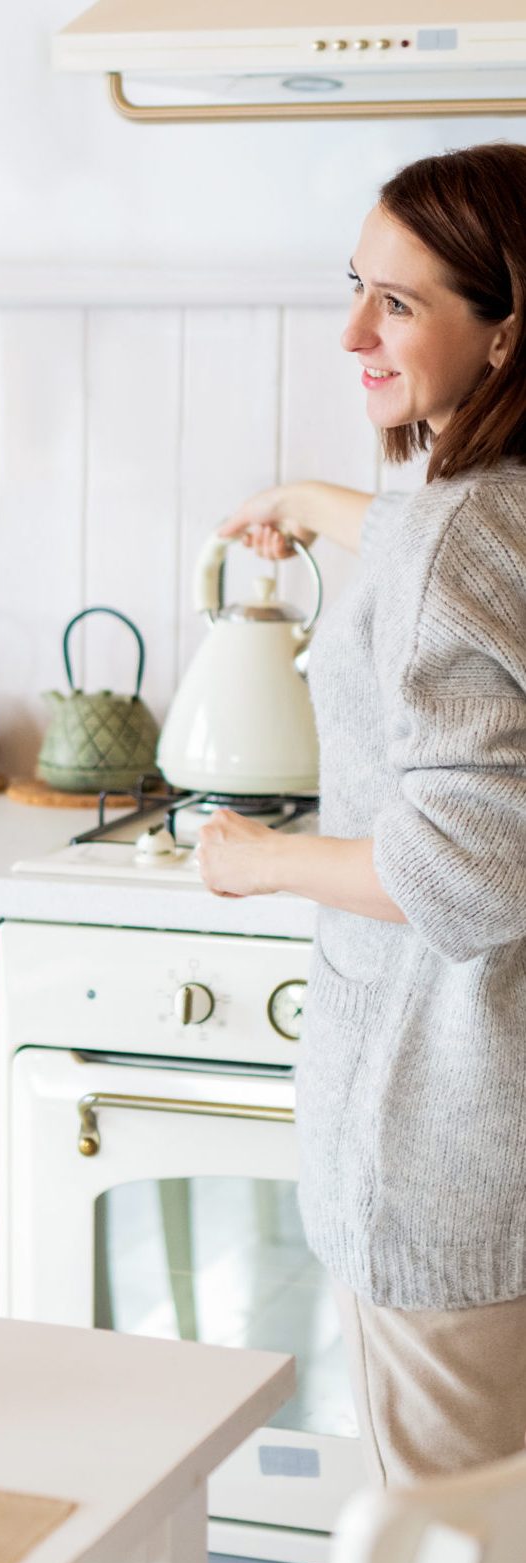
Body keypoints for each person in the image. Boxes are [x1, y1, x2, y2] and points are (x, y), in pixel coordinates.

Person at [197, 142, 526, 1492]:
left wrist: (254, 858)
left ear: (504, 327)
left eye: (396, 303)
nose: (351, 334)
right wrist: (302, 504)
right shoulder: (477, 512)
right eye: (355, 289)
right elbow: (447, 563)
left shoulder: (451, 532)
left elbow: (458, 871)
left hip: (446, 1143)